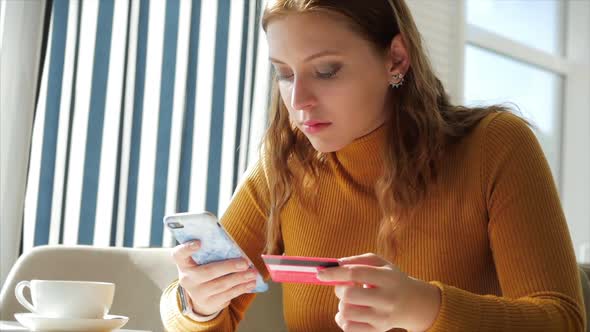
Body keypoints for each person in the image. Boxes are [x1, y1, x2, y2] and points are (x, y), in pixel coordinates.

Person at [160, 0, 585, 331]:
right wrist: (196, 304)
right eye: (285, 74)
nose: (299, 99)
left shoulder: (495, 145)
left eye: (326, 71)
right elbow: (187, 315)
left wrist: (423, 307)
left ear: (396, 59)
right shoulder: (283, 171)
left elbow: (562, 320)